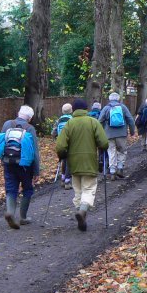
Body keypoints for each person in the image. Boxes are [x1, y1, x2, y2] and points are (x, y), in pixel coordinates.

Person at [56, 98, 109, 232]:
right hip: (90, 163)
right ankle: (83, 211)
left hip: (73, 164)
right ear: (86, 109)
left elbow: (61, 145)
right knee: (89, 189)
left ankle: (81, 214)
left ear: (73, 110)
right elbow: (103, 143)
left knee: (78, 190)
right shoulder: (93, 122)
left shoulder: (69, 124)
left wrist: (62, 155)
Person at [0, 105, 40, 229]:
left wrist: (2, 160)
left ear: (18, 113)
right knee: (27, 189)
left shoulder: (7, 124)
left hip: (8, 162)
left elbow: (1, 143)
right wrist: (36, 171)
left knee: (11, 188)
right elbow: (35, 152)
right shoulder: (30, 128)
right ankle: (23, 217)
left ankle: (10, 213)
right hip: (25, 166)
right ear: (30, 118)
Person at [98, 92, 136, 179]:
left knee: (111, 151)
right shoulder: (123, 107)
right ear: (118, 99)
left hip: (109, 134)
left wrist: (101, 132)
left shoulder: (106, 108)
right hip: (121, 134)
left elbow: (99, 121)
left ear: (109, 99)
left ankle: (112, 172)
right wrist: (132, 131)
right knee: (122, 151)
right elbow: (130, 119)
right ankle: (120, 168)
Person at [51, 103, 73, 189]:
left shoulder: (59, 120)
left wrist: (56, 139)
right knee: (69, 161)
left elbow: (53, 132)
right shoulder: (72, 119)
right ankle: (67, 181)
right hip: (70, 143)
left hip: (60, 143)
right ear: (71, 110)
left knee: (63, 159)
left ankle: (63, 178)